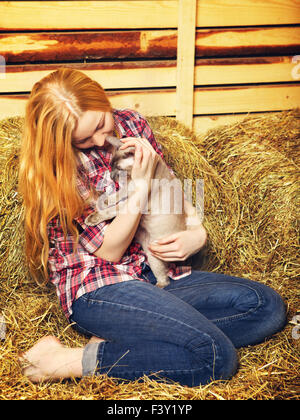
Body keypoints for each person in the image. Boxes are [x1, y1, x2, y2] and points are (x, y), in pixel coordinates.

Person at [18, 68, 286, 385]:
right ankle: (64, 361)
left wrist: (196, 233)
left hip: (153, 274)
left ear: (104, 99)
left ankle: (128, 338)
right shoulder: (58, 166)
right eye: (85, 140)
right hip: (99, 285)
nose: (102, 141)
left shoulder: (132, 123)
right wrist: (140, 187)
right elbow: (111, 251)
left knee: (266, 308)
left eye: (102, 124)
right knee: (216, 357)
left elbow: (168, 189)